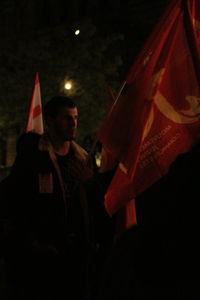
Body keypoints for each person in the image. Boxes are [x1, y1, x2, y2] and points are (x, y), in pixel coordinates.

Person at [1, 96, 112, 300]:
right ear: (50, 121)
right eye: (66, 118)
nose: (73, 124)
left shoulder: (82, 159)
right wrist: (31, 242)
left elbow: (100, 204)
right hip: (44, 259)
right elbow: (14, 201)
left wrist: (89, 182)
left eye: (76, 118)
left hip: (78, 256)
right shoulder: (34, 158)